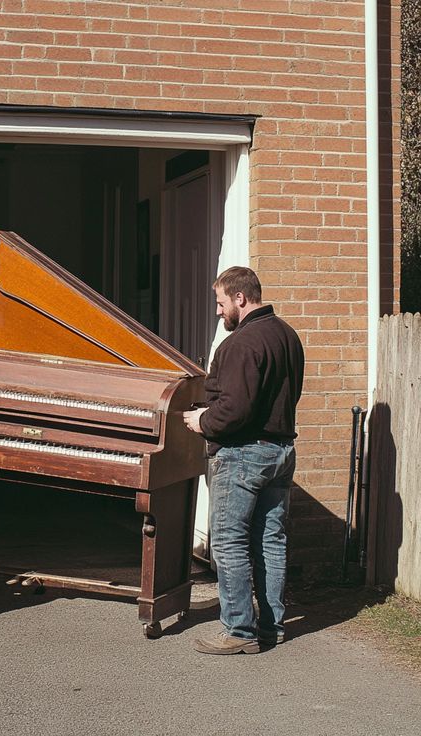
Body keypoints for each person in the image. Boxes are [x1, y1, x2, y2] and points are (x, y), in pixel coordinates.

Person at [183, 266, 304, 654]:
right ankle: (271, 626)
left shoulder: (239, 344)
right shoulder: (288, 336)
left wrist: (202, 419)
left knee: (229, 542)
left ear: (240, 298)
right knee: (271, 540)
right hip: (281, 451)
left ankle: (238, 632)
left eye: (221, 303)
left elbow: (234, 409)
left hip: (243, 454)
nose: (219, 312)